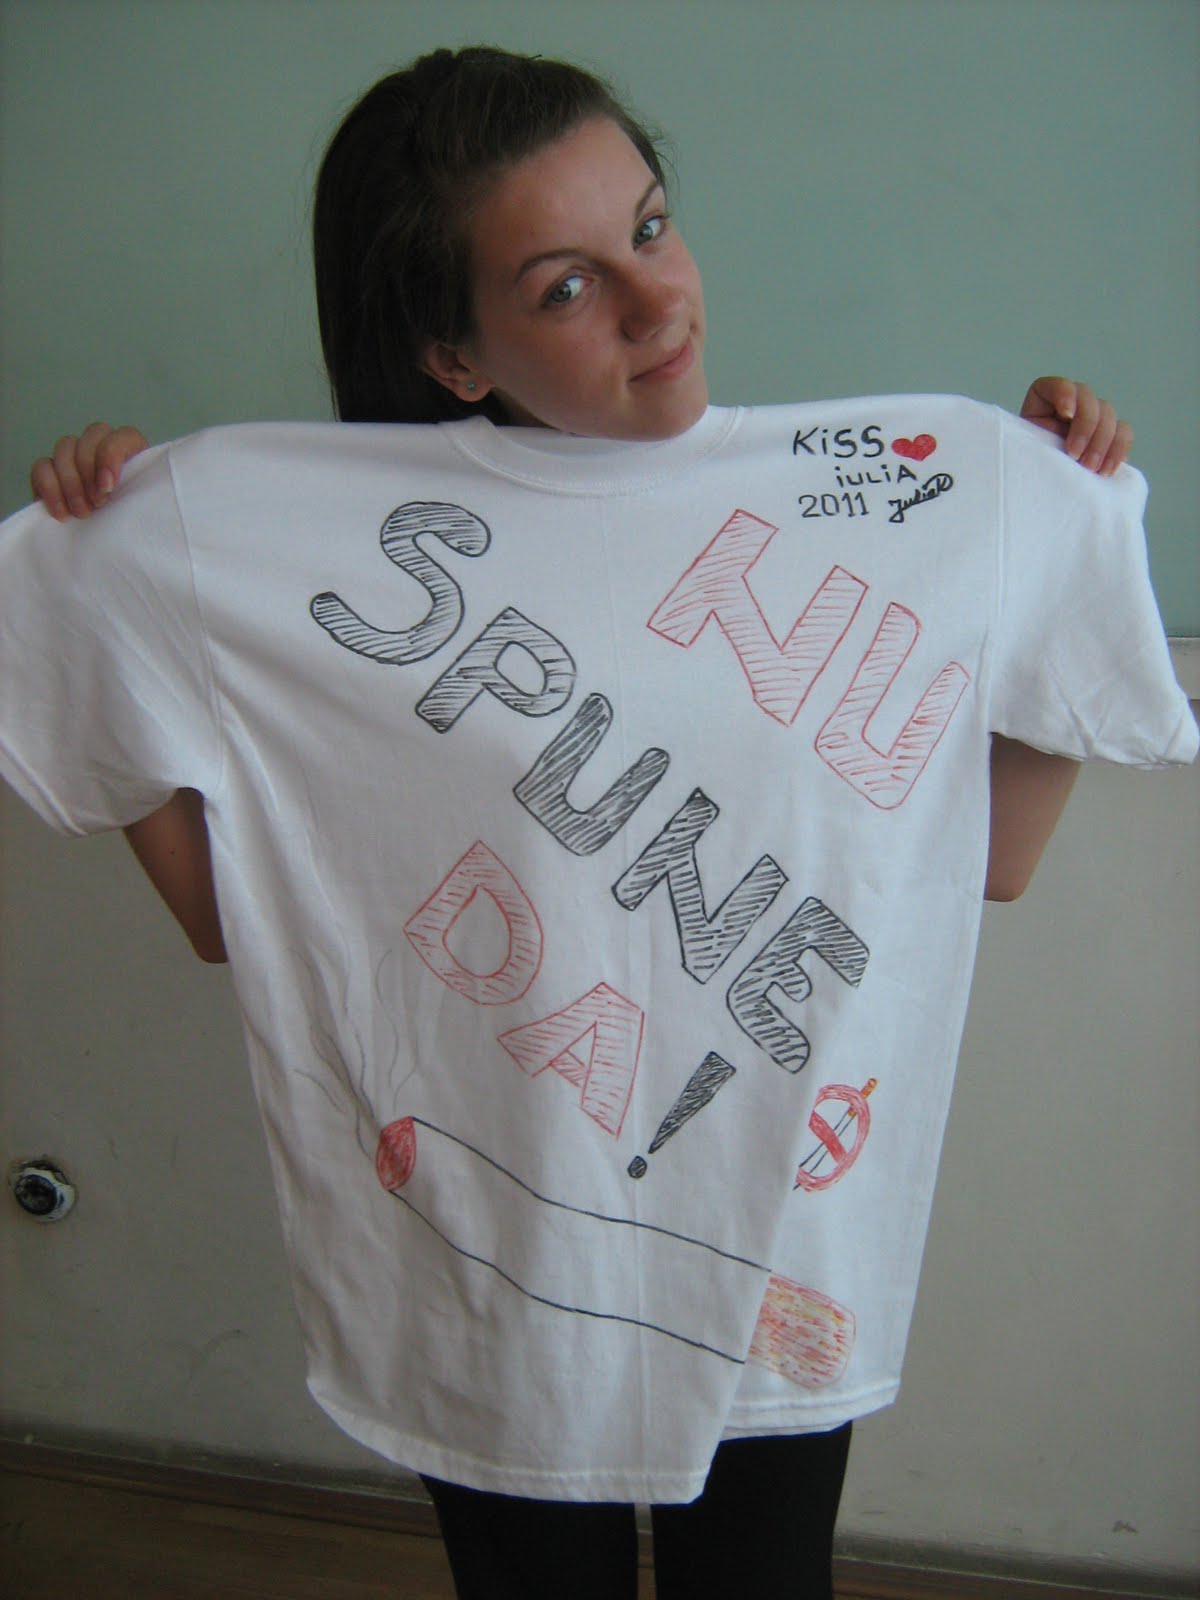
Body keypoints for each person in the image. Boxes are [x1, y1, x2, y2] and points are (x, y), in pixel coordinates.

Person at [5, 45, 1191, 1600]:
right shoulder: (304, 552)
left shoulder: (877, 498)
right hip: (491, 1247)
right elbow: (241, 920)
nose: (657, 301)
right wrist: (113, 568)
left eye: (649, 225)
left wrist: (1027, 537)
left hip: (774, 1234)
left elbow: (997, 863)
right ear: (451, 354)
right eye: (565, 287)